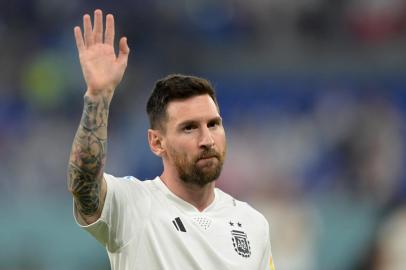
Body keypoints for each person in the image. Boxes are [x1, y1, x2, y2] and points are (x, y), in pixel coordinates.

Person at [68, 9, 276, 270]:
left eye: (213, 124)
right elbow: (84, 185)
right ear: (157, 143)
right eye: (189, 128)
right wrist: (98, 96)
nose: (207, 139)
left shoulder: (253, 223)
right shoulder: (131, 205)